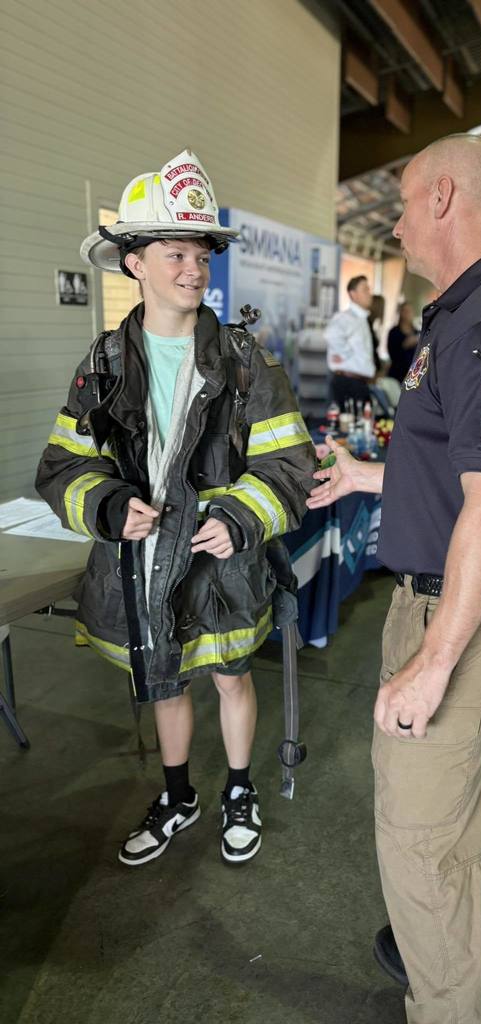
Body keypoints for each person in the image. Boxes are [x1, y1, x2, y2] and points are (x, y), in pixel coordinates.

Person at [308, 133, 481, 1024]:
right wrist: (363, 475)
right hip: (450, 605)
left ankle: (452, 1002)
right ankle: (469, 963)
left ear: (447, 198)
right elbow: (461, 472)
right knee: (459, 818)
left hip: (462, 616)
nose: (398, 224)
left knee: (419, 840)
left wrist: (433, 661)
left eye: (406, 202)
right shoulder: (462, 317)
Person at [36, 150, 315, 866]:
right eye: (174, 253)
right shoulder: (101, 362)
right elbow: (65, 464)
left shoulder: (248, 361)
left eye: (200, 253)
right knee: (163, 677)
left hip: (222, 562)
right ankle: (179, 794)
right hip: (142, 561)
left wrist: (241, 519)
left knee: (230, 675)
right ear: (134, 262)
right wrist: (105, 502)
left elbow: (289, 463)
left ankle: (241, 788)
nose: (193, 269)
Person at [324, 275, 375, 409]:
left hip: (359, 384)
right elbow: (331, 335)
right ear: (353, 294)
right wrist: (345, 355)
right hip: (348, 383)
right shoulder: (346, 317)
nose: (369, 294)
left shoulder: (362, 319)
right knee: (349, 427)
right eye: (365, 290)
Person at [387, 301, 420, 383]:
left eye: (410, 311)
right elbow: (392, 355)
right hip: (397, 375)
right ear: (400, 313)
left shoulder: (418, 333)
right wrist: (404, 345)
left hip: (413, 376)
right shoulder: (394, 332)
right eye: (405, 311)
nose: (408, 314)